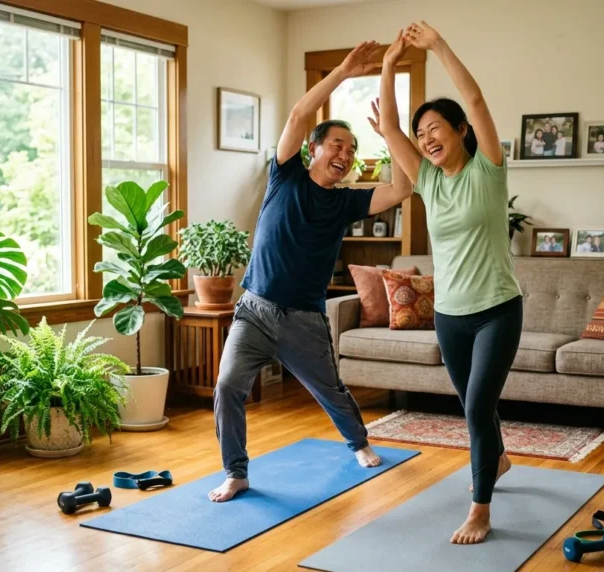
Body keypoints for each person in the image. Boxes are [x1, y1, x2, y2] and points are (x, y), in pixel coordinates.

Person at [208, 41, 415, 503]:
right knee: (227, 386)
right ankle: (236, 472)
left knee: (332, 392)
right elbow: (300, 113)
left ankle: (359, 443)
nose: (345, 152)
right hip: (255, 309)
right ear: (314, 149)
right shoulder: (285, 174)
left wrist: (391, 132)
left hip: (303, 318)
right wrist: (343, 70)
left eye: (352, 148)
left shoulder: (347, 201)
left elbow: (403, 186)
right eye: (337, 143)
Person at [377, 22, 523, 544]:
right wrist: (391, 64)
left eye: (435, 127)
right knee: (472, 407)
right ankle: (498, 459)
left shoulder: (489, 169)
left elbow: (476, 97)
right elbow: (390, 127)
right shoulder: (428, 181)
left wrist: (436, 47)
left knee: (478, 406)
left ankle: (480, 510)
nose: (426, 138)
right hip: (449, 317)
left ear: (461, 129)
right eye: (421, 134)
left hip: (498, 311)